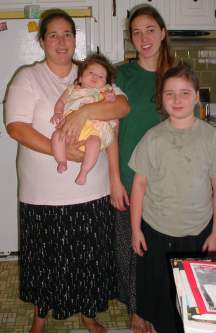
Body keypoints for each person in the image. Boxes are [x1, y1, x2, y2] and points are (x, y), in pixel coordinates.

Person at [5, 8, 129, 333]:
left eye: (68, 34)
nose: (62, 41)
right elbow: (16, 127)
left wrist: (86, 111)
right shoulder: (28, 77)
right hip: (41, 192)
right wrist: (66, 153)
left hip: (93, 189)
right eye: (53, 35)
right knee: (45, 260)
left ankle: (88, 314)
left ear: (76, 39)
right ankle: (39, 317)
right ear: (42, 41)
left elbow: (120, 109)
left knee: (87, 258)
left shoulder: (90, 73)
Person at [129, 63, 216, 333]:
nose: (177, 100)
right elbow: (139, 186)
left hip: (197, 234)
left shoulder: (212, 139)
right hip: (155, 231)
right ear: (161, 99)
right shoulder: (152, 138)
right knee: (161, 298)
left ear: (197, 96)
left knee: (195, 302)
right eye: (170, 94)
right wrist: (135, 229)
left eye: (185, 93)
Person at [110, 4, 174, 332]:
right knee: (131, 248)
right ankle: (138, 307)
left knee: (160, 247)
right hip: (129, 176)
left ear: (163, 32)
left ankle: (160, 301)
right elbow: (111, 131)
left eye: (150, 29)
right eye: (136, 32)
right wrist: (115, 179)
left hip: (168, 182)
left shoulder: (178, 74)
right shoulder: (122, 75)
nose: (143, 37)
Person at [51, 53, 118, 185]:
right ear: (80, 77)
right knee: (57, 135)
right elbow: (61, 102)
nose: (95, 77)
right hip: (70, 126)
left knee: (94, 142)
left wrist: (110, 98)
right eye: (91, 72)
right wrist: (58, 113)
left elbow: (113, 103)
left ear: (105, 83)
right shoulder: (72, 89)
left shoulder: (103, 91)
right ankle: (61, 160)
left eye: (101, 76)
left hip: (93, 129)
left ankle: (84, 171)